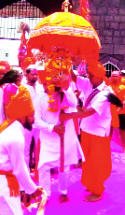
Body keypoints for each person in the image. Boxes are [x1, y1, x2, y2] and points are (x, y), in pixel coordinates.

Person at [0, 85, 43, 215]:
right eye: (32, 115)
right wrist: (32, 190)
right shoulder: (15, 137)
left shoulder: (9, 127)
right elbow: (20, 168)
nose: (34, 119)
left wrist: (24, 190)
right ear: (22, 117)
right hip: (0, 180)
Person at [64, 59, 121, 202]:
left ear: (99, 76)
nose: (88, 76)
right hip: (86, 130)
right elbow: (75, 77)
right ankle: (91, 184)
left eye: (91, 74)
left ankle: (97, 191)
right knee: (87, 161)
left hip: (98, 133)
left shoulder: (105, 93)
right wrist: (66, 62)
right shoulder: (90, 83)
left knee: (96, 163)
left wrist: (70, 115)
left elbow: (89, 111)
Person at [34, 74, 84, 203]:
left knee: (64, 166)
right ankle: (46, 194)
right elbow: (37, 121)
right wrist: (52, 128)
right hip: (47, 137)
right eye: (44, 84)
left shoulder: (63, 95)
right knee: (43, 167)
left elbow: (74, 103)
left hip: (64, 137)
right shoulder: (39, 99)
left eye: (49, 83)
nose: (47, 86)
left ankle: (63, 191)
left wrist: (65, 88)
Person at [23, 66, 44, 169]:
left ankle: (39, 171)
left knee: (40, 147)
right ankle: (25, 171)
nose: (35, 76)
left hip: (40, 122)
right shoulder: (22, 88)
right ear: (26, 75)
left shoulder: (41, 87)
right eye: (32, 74)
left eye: (36, 74)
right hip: (27, 123)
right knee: (25, 148)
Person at [109, 71, 125, 152]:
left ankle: (123, 147)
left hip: (121, 112)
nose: (114, 78)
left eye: (116, 76)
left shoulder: (123, 87)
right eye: (113, 76)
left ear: (119, 77)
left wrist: (120, 108)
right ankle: (107, 146)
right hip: (111, 112)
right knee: (109, 129)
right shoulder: (109, 87)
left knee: (122, 130)